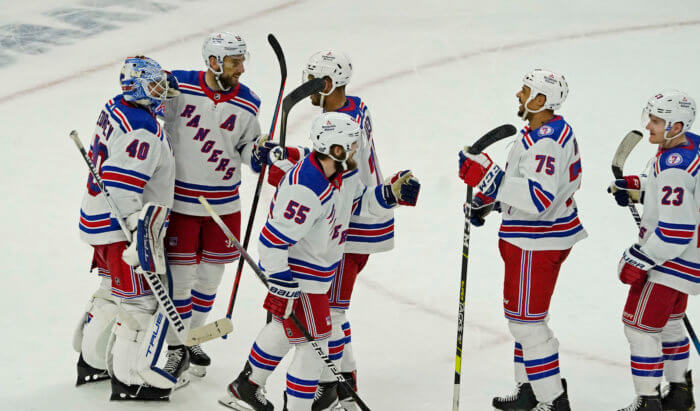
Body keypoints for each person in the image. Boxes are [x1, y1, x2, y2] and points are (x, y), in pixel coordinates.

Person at [219, 111, 420, 411]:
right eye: (351, 145)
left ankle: (245, 387)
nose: (357, 150)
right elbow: (272, 241)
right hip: (302, 277)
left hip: (318, 273)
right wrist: (282, 281)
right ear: (336, 149)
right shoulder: (305, 188)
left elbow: (359, 202)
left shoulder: (344, 172)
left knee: (283, 332)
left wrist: (390, 194)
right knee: (315, 349)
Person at [458, 69, 586, 411]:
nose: (519, 94)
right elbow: (523, 185)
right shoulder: (539, 132)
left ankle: (552, 400)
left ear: (541, 100)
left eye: (525, 90)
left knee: (527, 325)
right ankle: (530, 389)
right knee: (527, 321)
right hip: (530, 239)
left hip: (537, 242)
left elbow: (538, 197)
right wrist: (491, 199)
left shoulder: (547, 141)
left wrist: (488, 176)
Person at [72, 56, 183, 400]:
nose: (160, 92)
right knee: (141, 303)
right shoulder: (143, 131)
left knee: (111, 291)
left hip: (98, 220)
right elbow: (122, 188)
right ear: (135, 87)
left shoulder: (117, 106)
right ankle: (132, 378)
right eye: (153, 86)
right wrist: (139, 238)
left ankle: (92, 360)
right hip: (122, 230)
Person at [162, 32, 267, 377]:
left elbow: (249, 151)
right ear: (213, 62)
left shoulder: (249, 102)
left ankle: (192, 336)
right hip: (182, 202)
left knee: (209, 279)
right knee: (180, 280)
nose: (242, 68)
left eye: (242, 60)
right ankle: (176, 348)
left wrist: (261, 153)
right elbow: (145, 107)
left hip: (224, 205)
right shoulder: (177, 86)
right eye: (235, 62)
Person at [608, 90, 697, 411]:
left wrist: (637, 258)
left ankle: (648, 402)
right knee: (671, 323)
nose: (649, 126)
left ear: (675, 125)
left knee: (639, 327)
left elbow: (675, 232)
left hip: (670, 261)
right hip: (691, 260)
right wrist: (637, 186)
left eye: (657, 121)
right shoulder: (690, 148)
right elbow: (675, 194)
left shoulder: (675, 168)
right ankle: (679, 394)